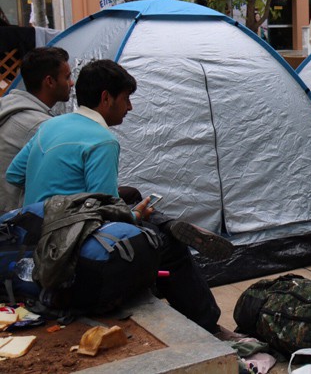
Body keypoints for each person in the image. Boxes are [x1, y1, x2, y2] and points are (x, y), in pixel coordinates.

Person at [7, 59, 232, 335]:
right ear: (106, 98)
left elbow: (14, 175)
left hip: (36, 233)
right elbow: (106, 215)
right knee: (170, 248)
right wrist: (135, 216)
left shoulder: (50, 126)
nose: (130, 107)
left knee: (130, 195)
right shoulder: (102, 140)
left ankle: (163, 221)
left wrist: (57, 192)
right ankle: (209, 324)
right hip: (68, 252)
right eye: (126, 99)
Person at [0, 47, 73, 212]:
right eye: (67, 77)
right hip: (14, 224)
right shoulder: (40, 126)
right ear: (50, 81)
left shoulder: (8, 105)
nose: (72, 83)